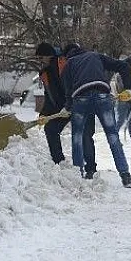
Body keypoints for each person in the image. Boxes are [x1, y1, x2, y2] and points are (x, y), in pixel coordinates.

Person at [61, 43, 131, 188]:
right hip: (102, 96)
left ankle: (78, 175)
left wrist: (68, 106)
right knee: (113, 136)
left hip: (80, 98)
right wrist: (128, 88)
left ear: (67, 55)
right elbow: (124, 66)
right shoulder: (95, 56)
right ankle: (126, 176)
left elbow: (67, 89)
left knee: (78, 137)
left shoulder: (69, 64)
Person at [34, 42, 98, 179]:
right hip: (62, 108)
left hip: (80, 103)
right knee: (50, 129)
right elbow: (50, 95)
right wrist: (44, 113)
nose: (39, 62)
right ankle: (59, 162)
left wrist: (73, 103)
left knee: (85, 135)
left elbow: (76, 82)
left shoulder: (64, 63)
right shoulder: (45, 72)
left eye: (40, 58)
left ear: (48, 55)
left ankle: (91, 168)